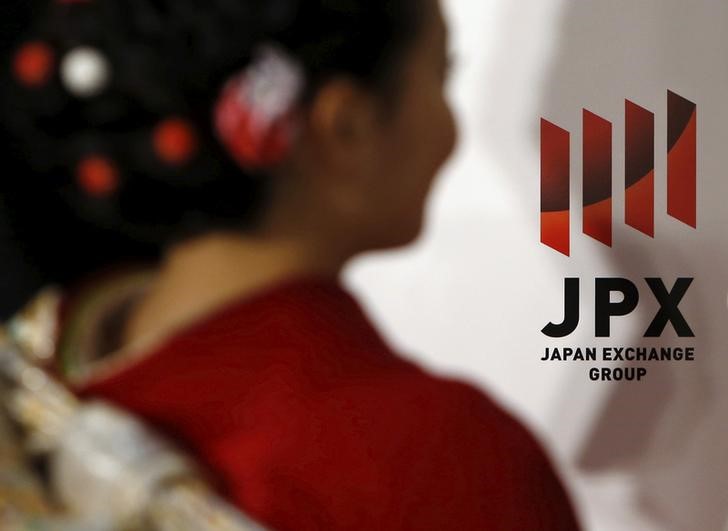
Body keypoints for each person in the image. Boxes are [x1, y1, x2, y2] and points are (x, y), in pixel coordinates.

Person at [0, 0, 582, 528]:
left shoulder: (36, 375)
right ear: (345, 128)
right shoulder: (438, 460)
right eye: (440, 75)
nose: (452, 133)